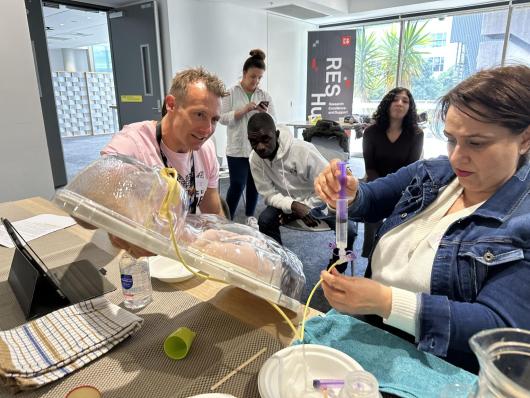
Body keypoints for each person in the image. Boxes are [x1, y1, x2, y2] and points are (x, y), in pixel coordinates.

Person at [314, 65, 530, 372]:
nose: (457, 157)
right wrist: (348, 193)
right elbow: (372, 198)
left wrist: (388, 302)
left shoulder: (522, 221)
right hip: (372, 332)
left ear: (524, 139)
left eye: (477, 143)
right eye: (451, 139)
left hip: (438, 365)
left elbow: (496, 326)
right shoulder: (433, 173)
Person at [100, 67, 228, 257]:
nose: (207, 129)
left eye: (215, 119)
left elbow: (213, 210)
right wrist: (121, 224)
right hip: (142, 260)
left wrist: (225, 245)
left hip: (185, 253)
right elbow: (97, 191)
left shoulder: (206, 150)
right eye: (199, 114)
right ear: (171, 104)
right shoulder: (133, 142)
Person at [248, 113, 356, 273]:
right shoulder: (255, 159)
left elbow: (329, 184)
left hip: (319, 199)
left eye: (265, 139)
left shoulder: (303, 151)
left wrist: (303, 207)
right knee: (264, 221)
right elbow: (269, 195)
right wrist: (293, 206)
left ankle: (336, 267)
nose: (260, 147)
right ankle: (280, 265)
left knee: (349, 229)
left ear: (276, 135)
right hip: (285, 202)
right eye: (253, 142)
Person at [361, 87, 424, 258]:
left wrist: (397, 194)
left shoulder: (416, 134)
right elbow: (370, 167)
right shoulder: (371, 132)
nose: (399, 103)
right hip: (375, 182)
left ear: (409, 107)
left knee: (398, 228)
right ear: (387, 104)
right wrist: (382, 191)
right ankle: (370, 256)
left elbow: (412, 169)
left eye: (405, 100)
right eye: (395, 99)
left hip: (405, 186)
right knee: (372, 209)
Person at [220, 49, 275, 226]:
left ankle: (250, 216)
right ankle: (226, 218)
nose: (256, 81)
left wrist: (265, 114)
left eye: (260, 78)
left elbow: (275, 122)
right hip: (237, 148)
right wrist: (242, 110)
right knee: (237, 184)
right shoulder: (230, 92)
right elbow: (221, 117)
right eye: (253, 76)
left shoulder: (264, 96)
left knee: (255, 184)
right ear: (244, 73)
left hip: (258, 149)